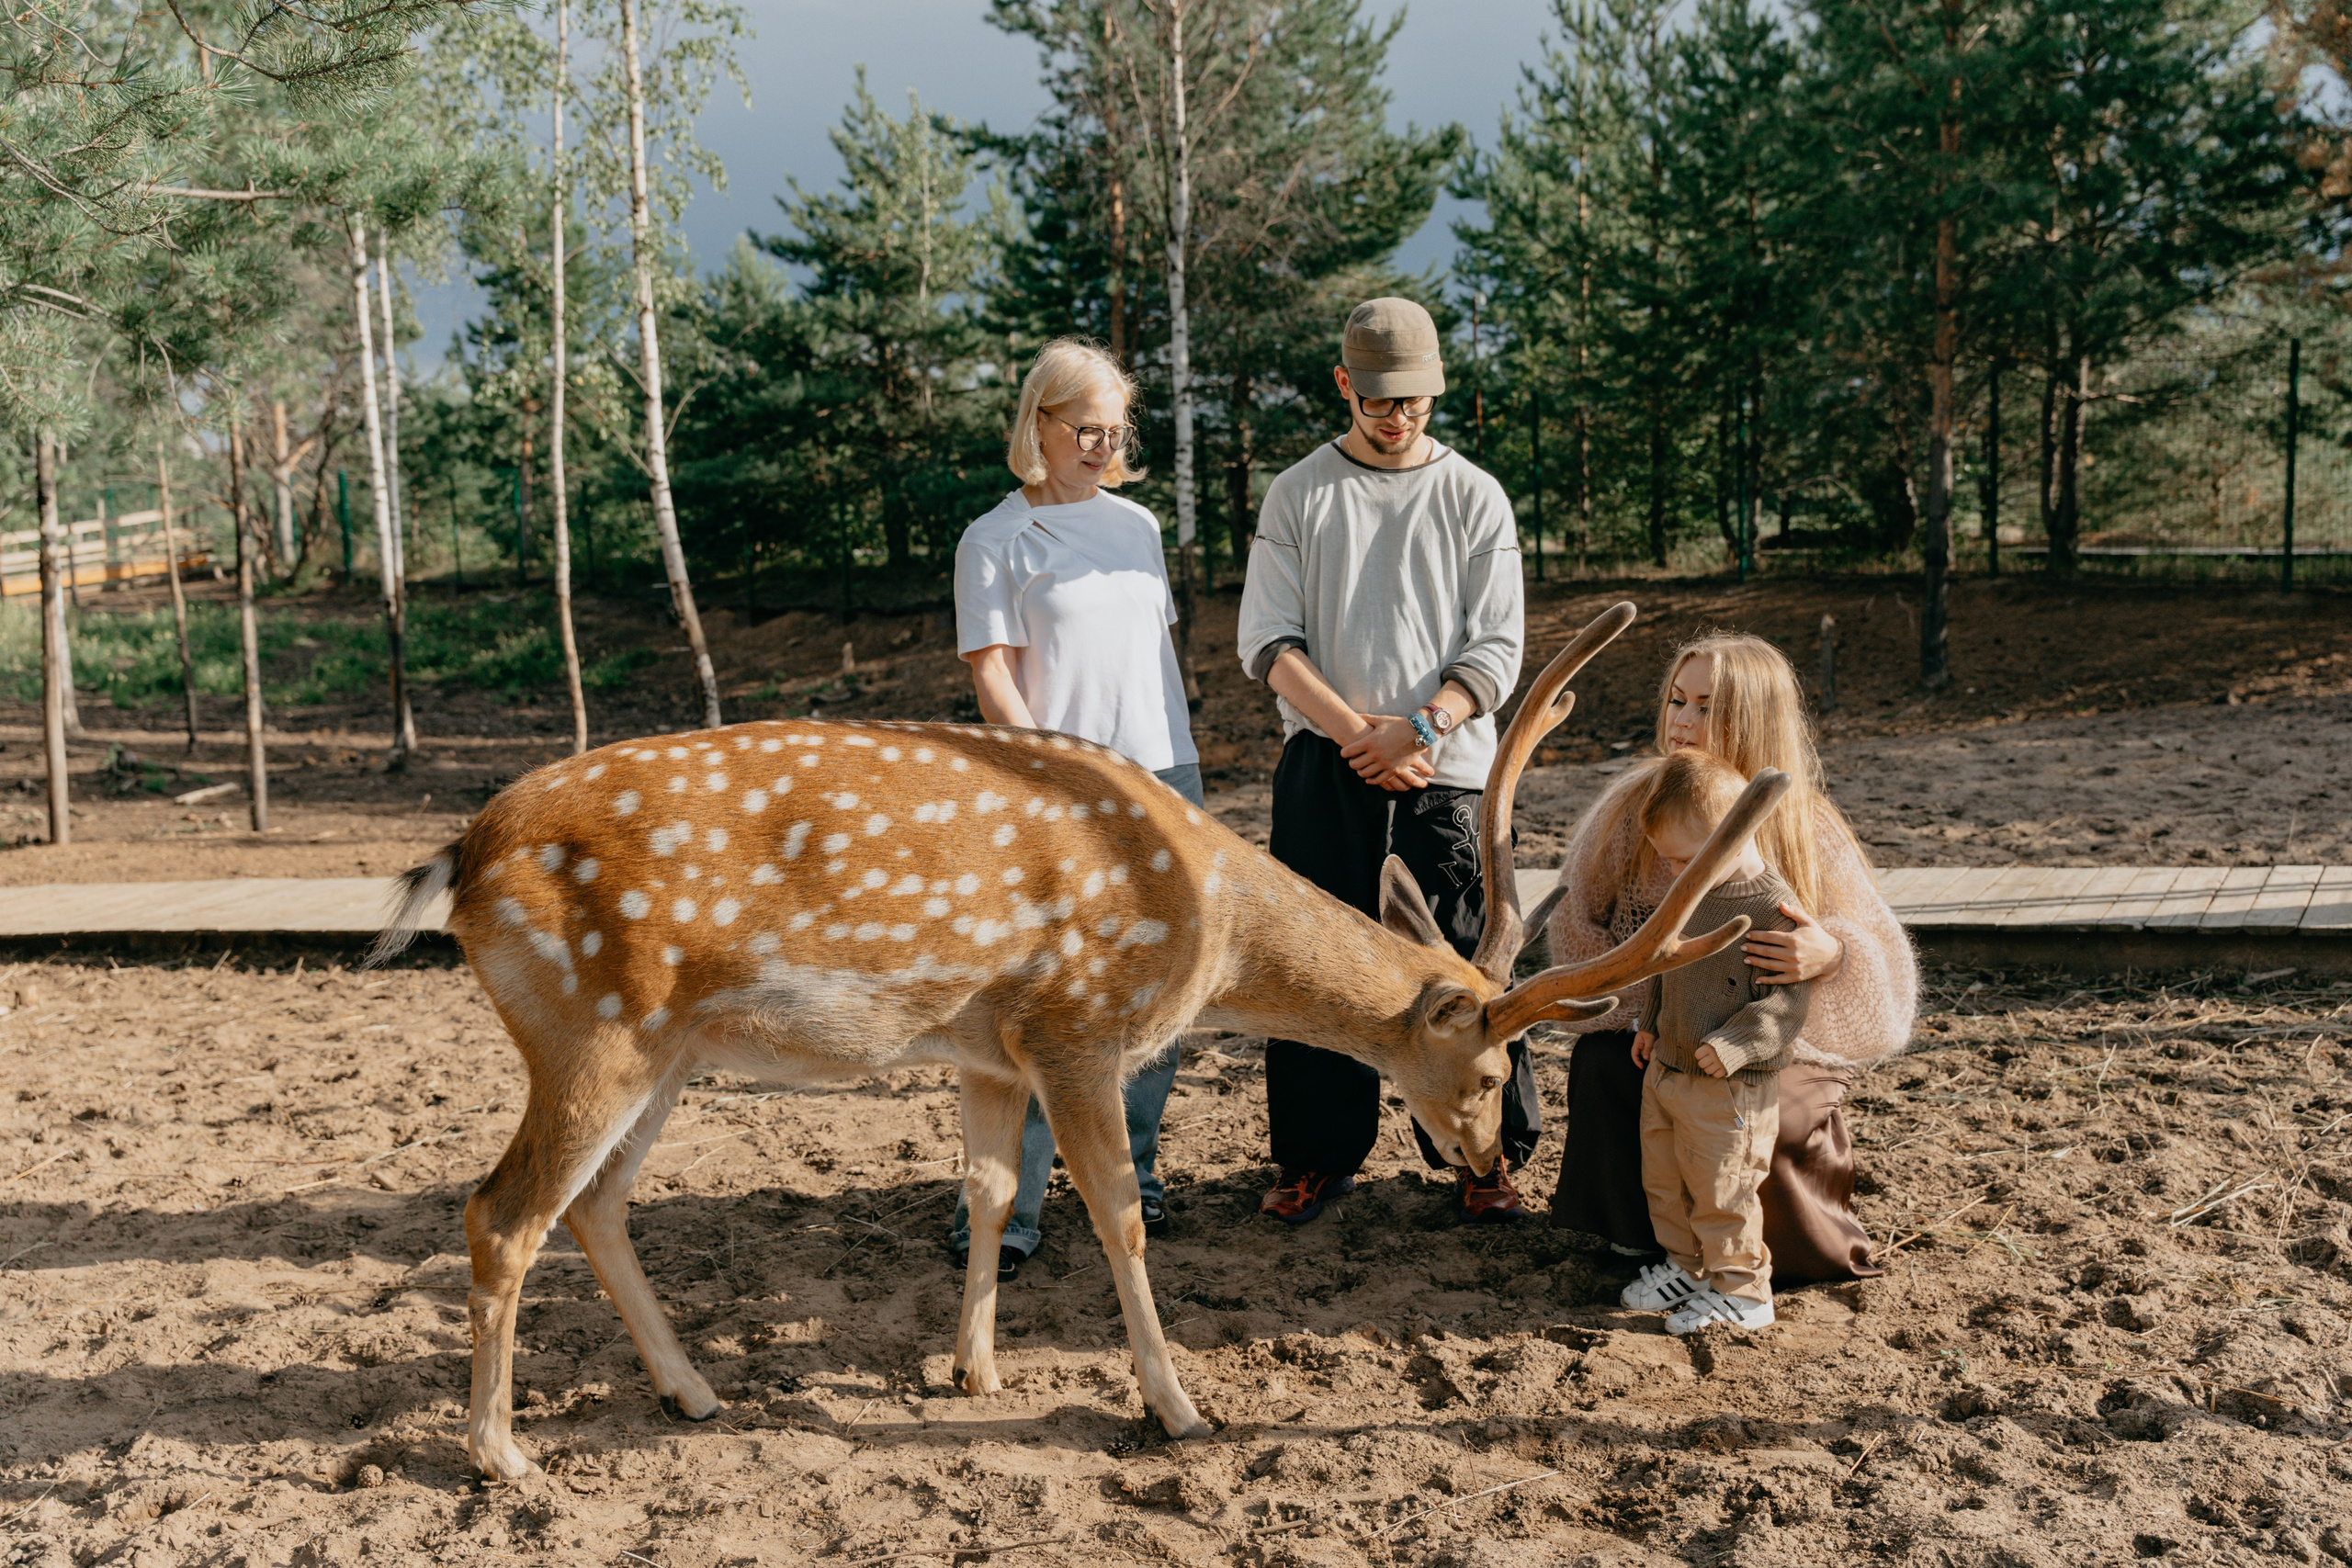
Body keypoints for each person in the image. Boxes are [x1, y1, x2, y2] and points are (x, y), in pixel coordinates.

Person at [1235, 297, 1533, 1225]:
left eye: (1412, 400)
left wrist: (1422, 725)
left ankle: (1486, 1156)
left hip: (1446, 769)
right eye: (1377, 400)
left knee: (1467, 973)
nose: (1396, 416)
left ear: (1434, 392)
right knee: (1313, 969)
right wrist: (1357, 736)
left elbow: (1497, 645)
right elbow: (1268, 640)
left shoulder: (1474, 495)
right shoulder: (1299, 493)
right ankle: (1316, 1156)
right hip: (1327, 763)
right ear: (1344, 388)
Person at [1545, 633, 1917, 1280]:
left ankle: (1773, 1257)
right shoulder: (1633, 808)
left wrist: (1829, 954)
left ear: (1753, 721)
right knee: (1608, 1070)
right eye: (1676, 701)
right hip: (1661, 1031)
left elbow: (1885, 970)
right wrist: (1648, 1009)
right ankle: (1647, 1244)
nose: (1682, 722)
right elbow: (1575, 925)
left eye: (1706, 708)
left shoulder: (1807, 825)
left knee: (1773, 1118)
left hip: (1773, 1038)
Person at [947, 336, 1202, 1279]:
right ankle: (1009, 1211)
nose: (1102, 445)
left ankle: (1133, 1179)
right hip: (1056, 790)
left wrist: (1173, 760)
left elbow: (1154, 657)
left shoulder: (1136, 528)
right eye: (1085, 428)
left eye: (1114, 429)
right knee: (1033, 1003)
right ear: (1039, 425)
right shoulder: (996, 537)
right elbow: (993, 679)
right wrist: (1049, 772)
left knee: (1156, 997)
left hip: (1165, 775)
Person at [1620, 750, 1811, 1334]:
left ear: (1733, 836)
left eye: (1684, 859)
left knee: (1722, 1188)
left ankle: (1745, 1291)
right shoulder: (1688, 893)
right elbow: (1666, 968)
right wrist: (1650, 1021)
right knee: (1666, 1179)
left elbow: (1788, 1001)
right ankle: (1688, 1266)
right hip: (1669, 1069)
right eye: (1668, 860)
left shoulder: (1770, 910)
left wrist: (1736, 1044)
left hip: (1728, 1088)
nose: (1674, 872)